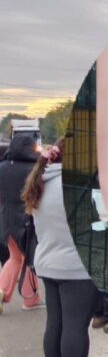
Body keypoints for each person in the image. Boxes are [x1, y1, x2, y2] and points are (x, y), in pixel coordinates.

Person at [20, 139, 108, 357]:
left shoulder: (39, 182)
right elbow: (101, 224)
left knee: (55, 323)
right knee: (75, 326)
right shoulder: (81, 185)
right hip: (77, 266)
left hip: (48, 262)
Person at [0, 130, 45, 314]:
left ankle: (2, 291)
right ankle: (30, 298)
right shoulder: (33, 170)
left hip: (5, 220)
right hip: (27, 222)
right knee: (29, 258)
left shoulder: (1, 167)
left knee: (14, 257)